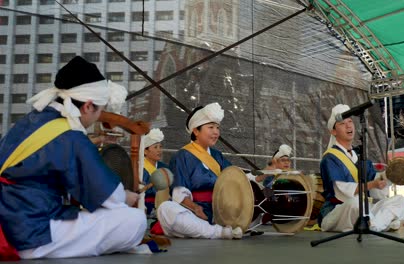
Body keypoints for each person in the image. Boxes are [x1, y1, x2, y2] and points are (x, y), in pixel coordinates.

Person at [0, 56, 158, 259]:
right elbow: (111, 199)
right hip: (30, 232)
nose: (95, 119)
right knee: (133, 219)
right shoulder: (70, 135)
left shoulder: (30, 121)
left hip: (11, 218)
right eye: (99, 111)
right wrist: (126, 196)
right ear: (88, 106)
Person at [156, 103, 243, 239]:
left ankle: (216, 229)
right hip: (193, 212)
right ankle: (218, 232)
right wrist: (196, 208)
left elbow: (234, 176)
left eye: (217, 128)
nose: (216, 132)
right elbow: (179, 194)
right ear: (196, 131)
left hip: (221, 212)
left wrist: (257, 178)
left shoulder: (217, 155)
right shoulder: (182, 156)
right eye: (211, 127)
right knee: (166, 209)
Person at [318, 104, 404, 232]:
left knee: (400, 201)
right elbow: (342, 192)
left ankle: (373, 224)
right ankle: (379, 224)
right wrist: (372, 184)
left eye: (350, 121)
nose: (348, 126)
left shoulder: (360, 156)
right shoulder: (330, 158)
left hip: (363, 208)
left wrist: (388, 176)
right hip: (338, 210)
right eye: (342, 123)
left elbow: (376, 190)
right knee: (355, 203)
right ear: (333, 131)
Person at [141, 128, 170, 217]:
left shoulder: (165, 167)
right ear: (145, 151)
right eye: (155, 147)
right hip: (143, 207)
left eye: (160, 147)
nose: (159, 150)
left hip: (163, 207)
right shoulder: (139, 168)